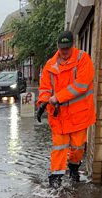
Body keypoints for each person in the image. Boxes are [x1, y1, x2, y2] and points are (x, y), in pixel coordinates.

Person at [37, 31, 96, 187]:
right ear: (58, 47)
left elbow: (81, 85)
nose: (64, 51)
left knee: (77, 147)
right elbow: (45, 88)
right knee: (59, 147)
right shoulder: (50, 66)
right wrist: (43, 102)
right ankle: (55, 177)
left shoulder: (83, 59)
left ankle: (74, 167)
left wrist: (57, 98)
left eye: (67, 48)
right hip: (59, 116)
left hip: (79, 115)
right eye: (62, 48)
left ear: (73, 46)